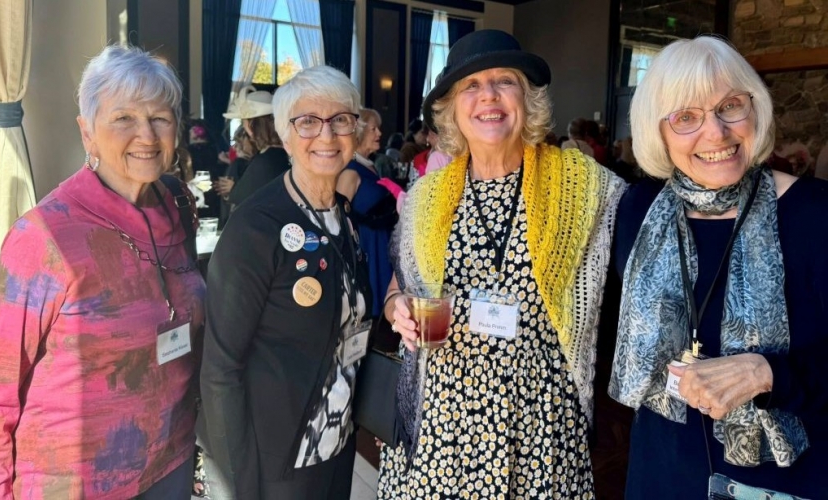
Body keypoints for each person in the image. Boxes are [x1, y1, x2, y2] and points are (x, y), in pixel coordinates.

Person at [378, 30, 626, 498]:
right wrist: (398, 310)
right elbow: (398, 289)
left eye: (504, 81)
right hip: (442, 427)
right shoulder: (425, 199)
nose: (488, 95)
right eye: (470, 85)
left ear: (527, 99)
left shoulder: (586, 188)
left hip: (541, 427)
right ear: (452, 110)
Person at [609, 35, 827, 499]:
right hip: (664, 470)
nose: (716, 133)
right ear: (657, 131)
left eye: (730, 106)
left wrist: (769, 373)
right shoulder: (638, 212)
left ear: (755, 109)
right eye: (686, 117)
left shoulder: (815, 214)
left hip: (783, 482)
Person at [0, 45, 204, 498]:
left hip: (171, 461)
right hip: (72, 483)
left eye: (160, 117)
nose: (146, 135)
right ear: (87, 132)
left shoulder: (178, 204)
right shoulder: (44, 237)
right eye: (123, 118)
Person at [198, 65, 372, 500]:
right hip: (278, 460)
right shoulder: (255, 228)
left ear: (355, 130)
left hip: (338, 442)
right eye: (308, 121)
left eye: (340, 120)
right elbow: (220, 369)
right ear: (285, 135)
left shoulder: (343, 216)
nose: (326, 135)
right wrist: (240, 482)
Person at [337, 108, 397, 315]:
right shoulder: (351, 170)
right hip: (366, 245)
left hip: (378, 241)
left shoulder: (369, 166)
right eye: (373, 129)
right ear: (360, 132)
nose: (379, 133)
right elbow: (339, 216)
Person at [222, 85, 290, 207]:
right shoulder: (286, 153)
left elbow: (246, 202)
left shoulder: (265, 161)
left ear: (250, 124)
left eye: (243, 122)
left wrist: (233, 190)